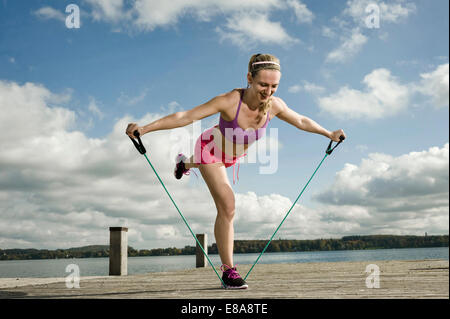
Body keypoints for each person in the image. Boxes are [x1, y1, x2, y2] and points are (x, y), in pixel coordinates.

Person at [126, 53, 346, 289]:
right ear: (249, 78)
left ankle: (184, 163)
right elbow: (186, 116)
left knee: (214, 176)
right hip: (210, 149)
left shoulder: (275, 106)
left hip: (232, 155)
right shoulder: (230, 100)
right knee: (228, 207)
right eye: (263, 84)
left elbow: (301, 121)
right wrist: (145, 129)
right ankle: (229, 271)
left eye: (274, 86)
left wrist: (329, 134)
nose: (268, 91)